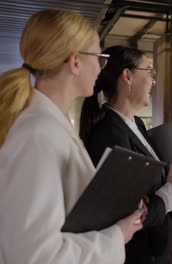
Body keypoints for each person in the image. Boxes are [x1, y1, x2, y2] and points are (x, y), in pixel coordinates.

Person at [0, 9, 143, 264]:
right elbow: (35, 256)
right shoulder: (38, 135)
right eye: (99, 56)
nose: (101, 66)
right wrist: (116, 236)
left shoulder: (51, 126)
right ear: (75, 62)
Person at [80, 45, 172, 264]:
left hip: (154, 249)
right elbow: (128, 214)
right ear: (127, 76)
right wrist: (171, 189)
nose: (154, 81)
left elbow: (148, 192)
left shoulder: (136, 124)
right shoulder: (110, 135)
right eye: (150, 71)